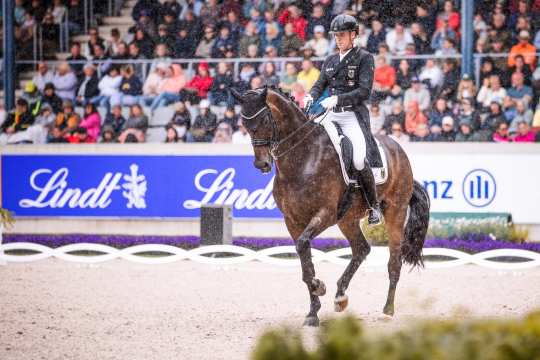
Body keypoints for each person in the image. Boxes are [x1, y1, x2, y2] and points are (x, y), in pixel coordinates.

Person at [304, 14, 382, 226]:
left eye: (342, 35)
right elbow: (320, 84)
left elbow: (364, 91)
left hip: (352, 114)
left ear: (353, 34)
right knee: (311, 144)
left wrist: (338, 98)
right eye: (336, 35)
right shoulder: (330, 60)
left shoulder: (364, 57)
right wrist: (311, 94)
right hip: (330, 114)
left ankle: (373, 206)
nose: (338, 39)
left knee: (357, 159)